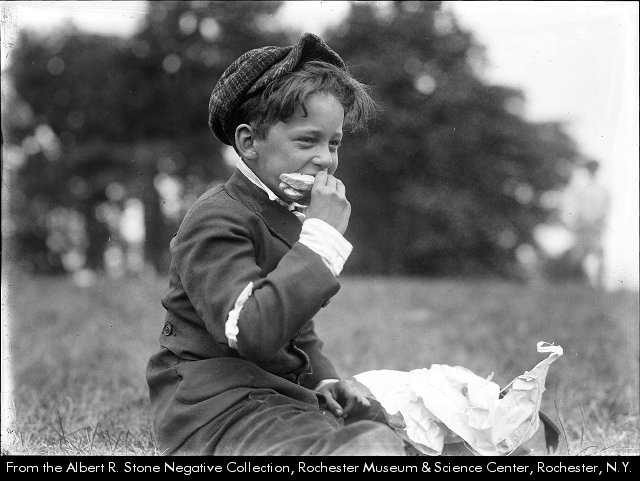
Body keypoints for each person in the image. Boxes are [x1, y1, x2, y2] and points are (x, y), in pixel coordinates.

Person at [145, 32, 406, 456]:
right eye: (307, 140)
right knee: (359, 448)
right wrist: (320, 242)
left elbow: (296, 328)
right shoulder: (216, 218)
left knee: (386, 428)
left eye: (334, 143)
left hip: (274, 396)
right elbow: (252, 332)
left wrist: (323, 378)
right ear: (249, 143)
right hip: (214, 407)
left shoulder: (288, 214)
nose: (326, 158)